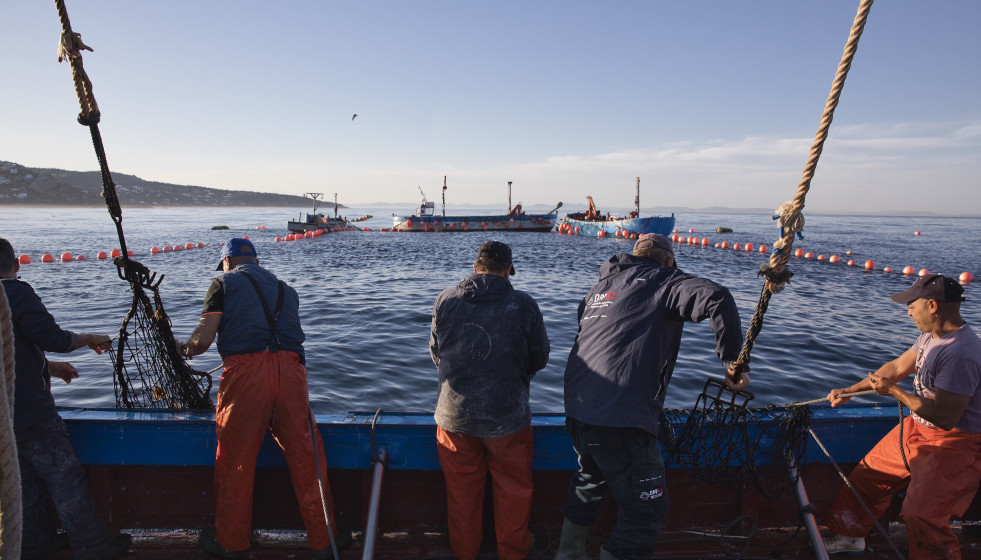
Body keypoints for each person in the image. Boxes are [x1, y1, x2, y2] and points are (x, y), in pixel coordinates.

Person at [558, 233, 746, 560]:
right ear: (668, 261)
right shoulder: (664, 279)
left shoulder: (597, 291)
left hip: (578, 412)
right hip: (622, 417)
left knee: (590, 480)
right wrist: (732, 360)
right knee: (646, 509)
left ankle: (567, 553)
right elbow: (716, 296)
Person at [176, 238, 345, 560]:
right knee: (307, 459)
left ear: (227, 262)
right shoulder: (287, 290)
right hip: (292, 374)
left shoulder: (222, 282)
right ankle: (325, 542)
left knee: (235, 460)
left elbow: (202, 340)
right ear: (256, 260)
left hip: (246, 376)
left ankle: (232, 543)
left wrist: (182, 348)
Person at [823, 273, 981, 559]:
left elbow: (946, 418)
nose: (908, 312)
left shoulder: (960, 353)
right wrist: (851, 390)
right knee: (869, 477)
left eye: (911, 305)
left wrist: (895, 392)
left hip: (953, 443)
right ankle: (850, 537)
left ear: (932, 305)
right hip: (916, 426)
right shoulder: (931, 335)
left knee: (922, 515)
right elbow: (896, 367)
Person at [0, 237, 132, 560]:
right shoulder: (15, 292)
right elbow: (53, 338)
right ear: (15, 264)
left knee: (23, 481)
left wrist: (49, 367)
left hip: (5, 420)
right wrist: (89, 338)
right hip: (30, 413)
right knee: (65, 476)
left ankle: (34, 542)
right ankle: (94, 547)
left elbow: (11, 350)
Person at [430, 240, 550, 560]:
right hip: (507, 416)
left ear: (475, 267)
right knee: (513, 493)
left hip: (454, 417)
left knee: (462, 496)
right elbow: (539, 357)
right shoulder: (524, 304)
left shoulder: (445, 299)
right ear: (508, 270)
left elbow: (437, 355)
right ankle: (512, 554)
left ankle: (465, 553)